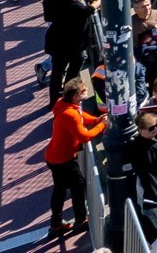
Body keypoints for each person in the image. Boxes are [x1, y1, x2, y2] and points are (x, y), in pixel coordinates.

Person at [45, 80, 106, 238]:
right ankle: (81, 220)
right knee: (78, 185)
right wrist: (102, 125)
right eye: (84, 91)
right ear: (76, 96)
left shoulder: (63, 105)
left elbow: (80, 116)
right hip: (63, 159)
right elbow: (84, 136)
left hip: (55, 156)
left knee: (60, 189)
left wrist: (95, 120)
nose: (87, 92)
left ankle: (56, 224)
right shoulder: (70, 115)